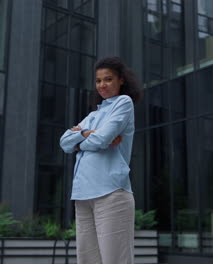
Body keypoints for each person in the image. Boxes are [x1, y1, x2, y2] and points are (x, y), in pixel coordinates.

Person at [59, 56, 142, 264]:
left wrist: (80, 139)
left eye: (108, 79)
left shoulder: (124, 103)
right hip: (82, 195)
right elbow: (64, 142)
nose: (102, 85)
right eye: (98, 81)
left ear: (121, 80)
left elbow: (102, 138)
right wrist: (88, 135)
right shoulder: (94, 114)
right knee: (87, 260)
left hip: (111, 193)